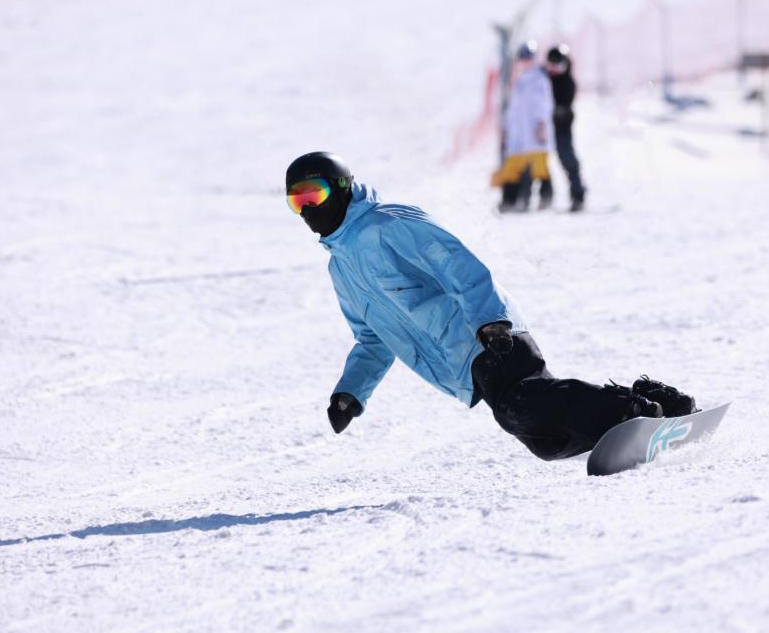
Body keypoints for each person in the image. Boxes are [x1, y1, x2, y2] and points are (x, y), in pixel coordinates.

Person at [286, 151, 696, 461]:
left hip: (486, 335)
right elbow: (372, 339)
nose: (307, 208)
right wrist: (351, 393)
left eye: (314, 194)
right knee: (547, 442)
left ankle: (629, 412)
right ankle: (654, 402)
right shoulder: (340, 270)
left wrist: (491, 320)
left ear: (341, 188)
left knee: (520, 406)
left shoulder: (387, 223)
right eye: (296, 201)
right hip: (464, 363)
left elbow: (455, 263)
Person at [494, 40, 554, 212]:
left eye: (529, 57)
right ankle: (509, 200)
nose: (526, 61)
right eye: (523, 58)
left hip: (535, 131)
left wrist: (541, 124)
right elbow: (513, 109)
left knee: (539, 166)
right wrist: (507, 128)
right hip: (518, 133)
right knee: (512, 166)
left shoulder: (540, 79)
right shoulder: (519, 81)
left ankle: (546, 197)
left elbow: (543, 104)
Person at [545, 44, 587, 212]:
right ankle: (542, 195)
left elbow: (565, 105)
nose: (554, 70)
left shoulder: (567, 82)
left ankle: (577, 193)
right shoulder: (545, 79)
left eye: (557, 66)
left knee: (567, 158)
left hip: (561, 128)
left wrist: (558, 112)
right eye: (551, 66)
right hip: (543, 129)